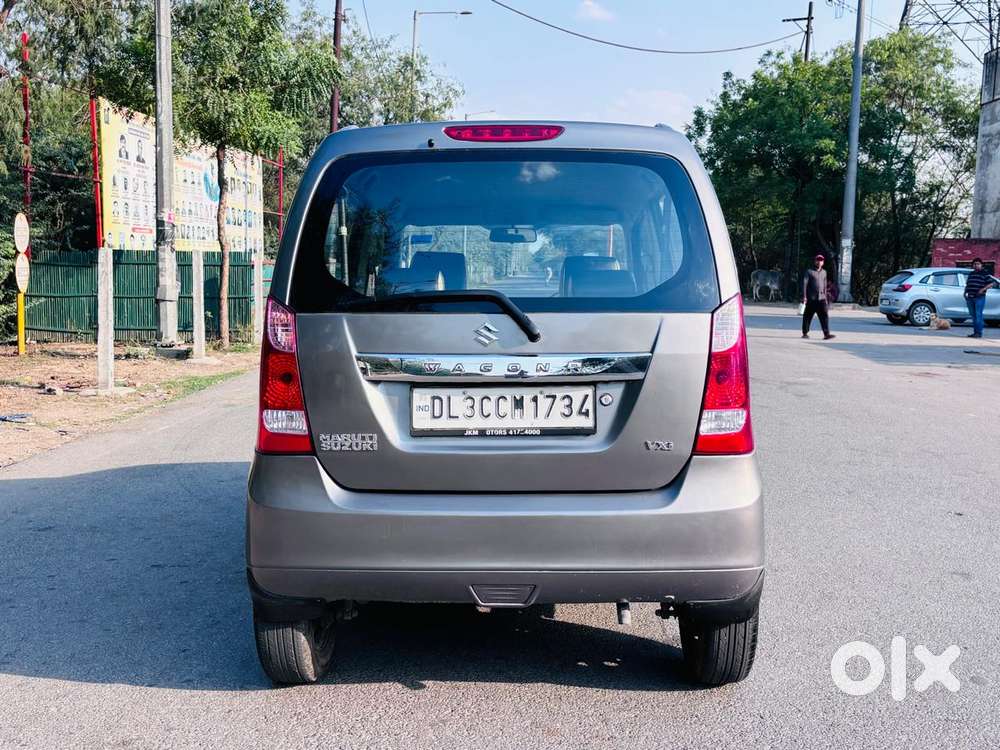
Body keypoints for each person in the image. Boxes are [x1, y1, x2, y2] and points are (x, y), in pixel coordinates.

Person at [802, 254, 835, 340]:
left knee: (824, 316)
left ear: (823, 262)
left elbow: (824, 285)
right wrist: (805, 296)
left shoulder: (824, 272)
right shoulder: (809, 271)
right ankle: (805, 332)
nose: (819, 262)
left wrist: (826, 298)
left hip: (822, 299)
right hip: (811, 298)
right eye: (818, 260)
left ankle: (826, 334)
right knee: (807, 316)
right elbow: (805, 284)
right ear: (815, 261)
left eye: (821, 260)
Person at [963, 258, 996, 338]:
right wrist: (965, 292)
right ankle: (975, 332)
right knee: (973, 315)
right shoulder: (971, 274)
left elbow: (992, 283)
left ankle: (979, 332)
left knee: (978, 315)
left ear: (981, 265)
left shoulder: (984, 273)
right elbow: (968, 284)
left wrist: (983, 289)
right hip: (970, 297)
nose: (976, 265)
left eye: (978, 264)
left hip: (979, 298)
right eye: (974, 264)